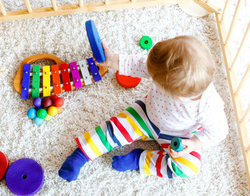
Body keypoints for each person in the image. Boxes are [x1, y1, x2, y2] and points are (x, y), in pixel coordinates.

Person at [58, 35, 228, 181]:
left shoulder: (208, 106)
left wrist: (193, 144)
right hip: (146, 114)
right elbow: (137, 65)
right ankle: (81, 154)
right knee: (113, 129)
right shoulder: (164, 68)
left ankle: (139, 159)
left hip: (178, 135)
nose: (152, 78)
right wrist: (112, 59)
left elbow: (219, 132)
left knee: (189, 169)